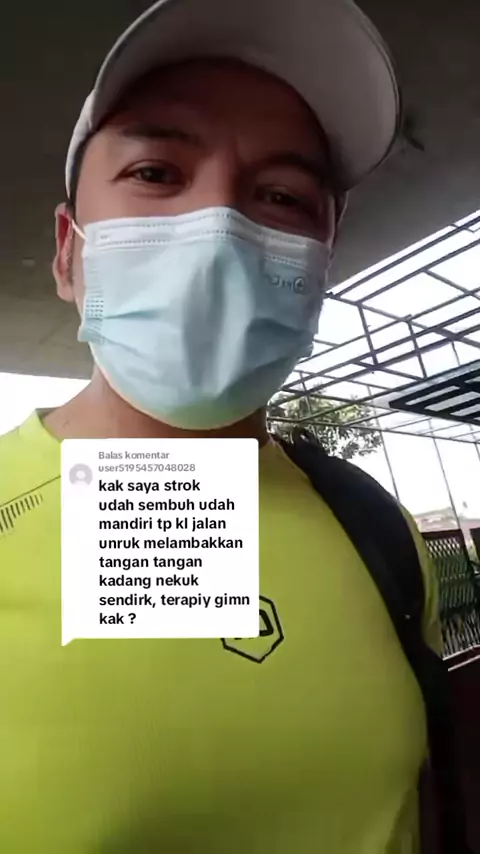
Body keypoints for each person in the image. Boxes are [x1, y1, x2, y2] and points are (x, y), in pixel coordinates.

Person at [0, 0, 442, 851]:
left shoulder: (380, 534)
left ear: (322, 266)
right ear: (68, 252)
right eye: (156, 173)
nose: (219, 236)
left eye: (282, 196)